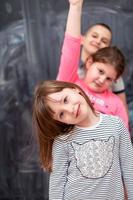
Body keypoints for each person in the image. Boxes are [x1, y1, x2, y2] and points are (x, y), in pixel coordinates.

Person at [33, 79, 133, 199]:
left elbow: (129, 169)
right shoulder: (63, 142)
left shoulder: (116, 125)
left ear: (74, 89)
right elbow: (56, 186)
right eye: (61, 114)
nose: (70, 110)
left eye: (65, 100)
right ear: (60, 121)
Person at [57, 0, 129, 128]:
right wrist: (75, 6)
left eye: (104, 41)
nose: (102, 79)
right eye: (94, 36)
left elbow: (123, 129)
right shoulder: (72, 78)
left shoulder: (115, 101)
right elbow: (70, 48)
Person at [79, 20, 128, 114]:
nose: (98, 41)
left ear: (108, 48)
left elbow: (122, 109)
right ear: (82, 39)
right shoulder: (71, 68)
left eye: (104, 41)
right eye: (94, 36)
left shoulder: (113, 74)